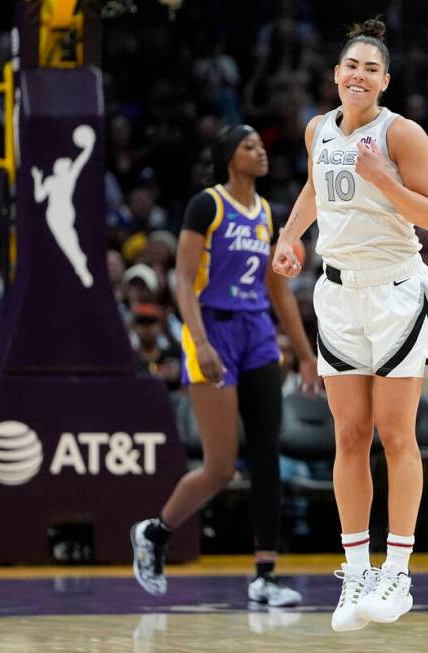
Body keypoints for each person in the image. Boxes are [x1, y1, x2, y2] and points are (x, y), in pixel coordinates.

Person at [271, 17, 428, 631]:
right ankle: (356, 573)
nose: (359, 75)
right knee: (349, 437)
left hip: (396, 290)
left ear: (385, 81)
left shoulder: (404, 135)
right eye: (352, 66)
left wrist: (382, 179)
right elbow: (317, 189)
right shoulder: (318, 129)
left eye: (371, 69)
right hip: (338, 293)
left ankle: (398, 572)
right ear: (336, 74)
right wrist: (291, 235)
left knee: (397, 434)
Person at [131, 125, 320, 607]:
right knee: (219, 467)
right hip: (211, 330)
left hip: (257, 331)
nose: (260, 153)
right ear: (228, 157)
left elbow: (278, 289)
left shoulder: (267, 214)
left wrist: (303, 352)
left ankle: (265, 575)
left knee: (266, 457)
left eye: (261, 146)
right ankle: (156, 532)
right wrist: (197, 341)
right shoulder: (207, 205)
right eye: (249, 146)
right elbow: (183, 280)